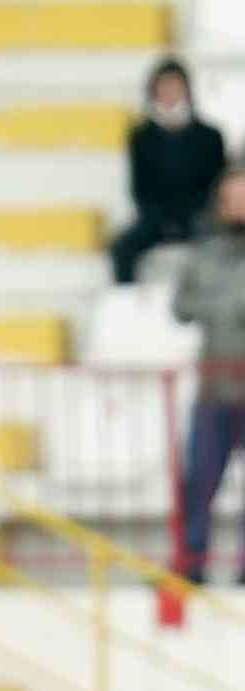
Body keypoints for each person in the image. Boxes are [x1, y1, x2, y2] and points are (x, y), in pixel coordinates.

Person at [173, 169, 245, 584]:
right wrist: (221, 307)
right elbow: (181, 307)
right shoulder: (203, 256)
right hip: (213, 390)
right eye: (233, 198)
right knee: (199, 482)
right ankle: (191, 561)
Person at [110, 57, 226, 286]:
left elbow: (218, 187)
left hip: (201, 216)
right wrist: (163, 221)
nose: (170, 92)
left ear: (187, 90)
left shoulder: (211, 136)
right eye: (164, 86)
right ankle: (128, 301)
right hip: (156, 219)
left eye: (175, 85)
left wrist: (194, 216)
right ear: (153, 91)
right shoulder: (141, 137)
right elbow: (140, 188)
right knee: (122, 248)